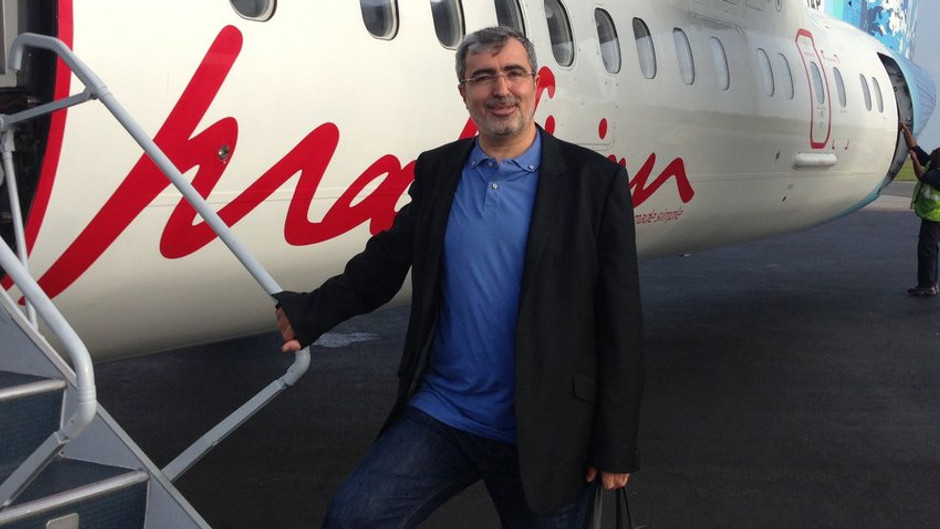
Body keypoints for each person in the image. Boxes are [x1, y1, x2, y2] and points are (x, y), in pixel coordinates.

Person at [274, 26, 644, 528]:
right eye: (483, 77)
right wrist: (310, 314)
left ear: (537, 84)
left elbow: (620, 322)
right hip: (444, 413)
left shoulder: (593, 182)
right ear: (464, 93)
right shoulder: (440, 170)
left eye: (513, 73)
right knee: (353, 519)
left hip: (547, 426)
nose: (501, 89)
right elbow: (385, 261)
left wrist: (615, 443)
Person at [900, 123, 940, 297]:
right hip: (933, 216)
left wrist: (914, 159)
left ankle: (927, 285)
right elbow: (915, 147)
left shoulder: (938, 173)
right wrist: (905, 130)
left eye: (937, 151)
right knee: (932, 250)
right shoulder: (933, 163)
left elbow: (922, 176)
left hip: (935, 218)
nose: (933, 150)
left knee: (927, 251)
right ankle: (932, 283)